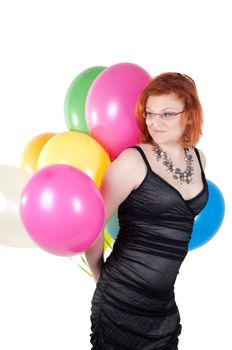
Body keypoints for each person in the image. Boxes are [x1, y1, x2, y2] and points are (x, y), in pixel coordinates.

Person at [85, 72, 209, 349]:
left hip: (162, 304)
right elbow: (92, 226)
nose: (154, 122)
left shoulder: (199, 159)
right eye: (150, 113)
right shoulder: (132, 161)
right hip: (121, 299)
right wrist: (100, 279)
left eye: (166, 114)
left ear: (189, 114)